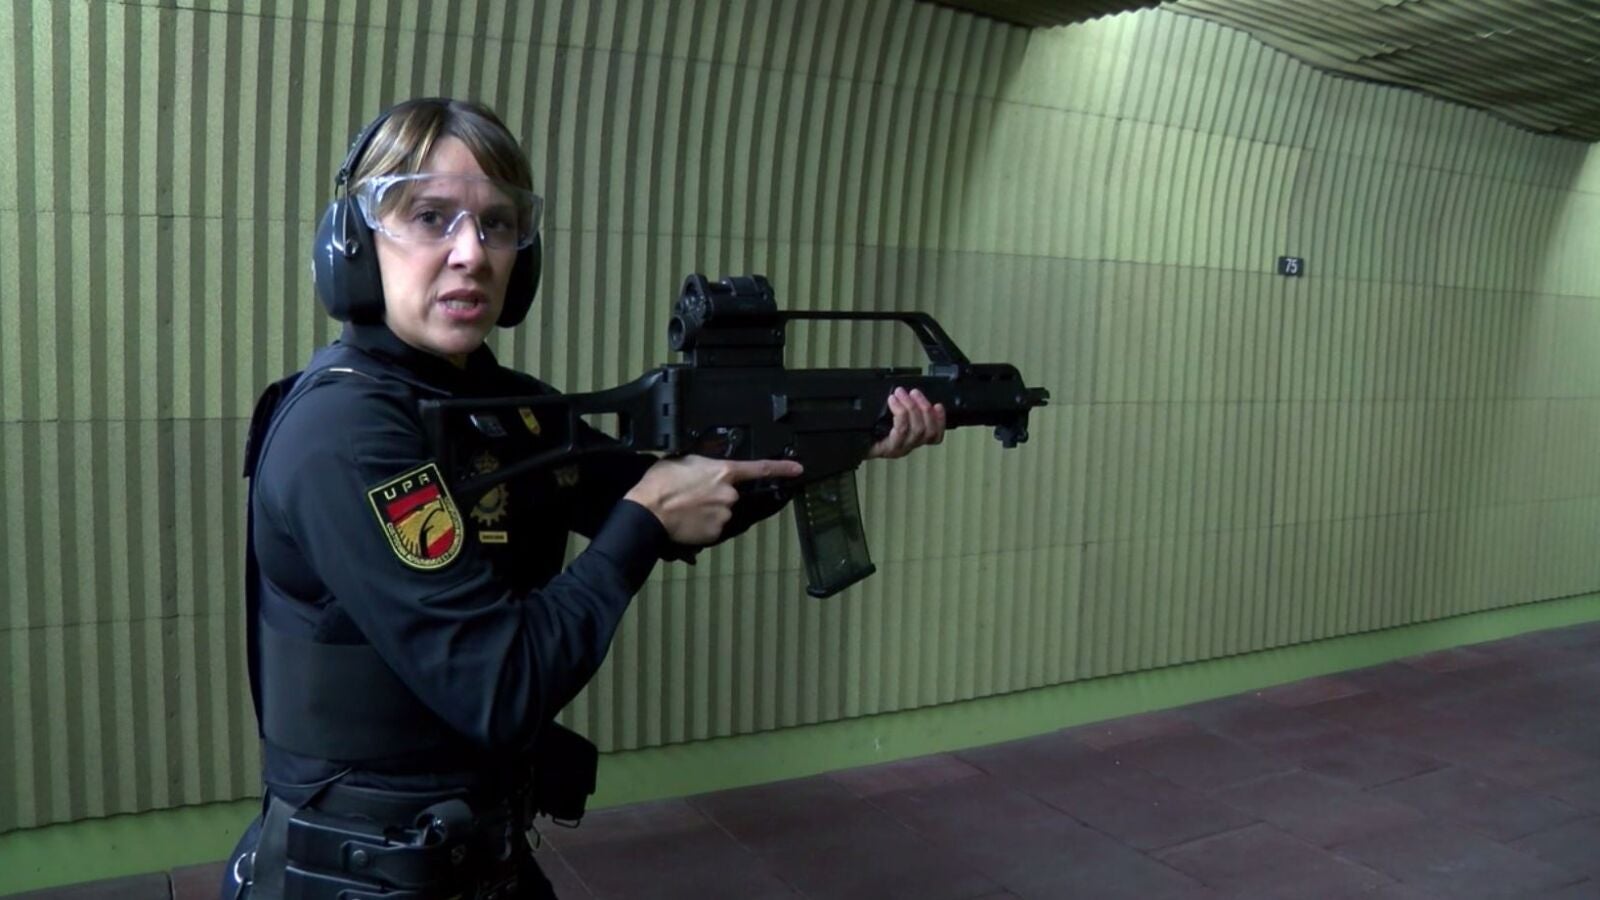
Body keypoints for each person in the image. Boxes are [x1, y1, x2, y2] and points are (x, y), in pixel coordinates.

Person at [222, 97, 945, 899]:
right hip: (361, 877)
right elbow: (501, 684)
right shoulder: (345, 432)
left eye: (498, 225)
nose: (472, 253)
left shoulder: (507, 409)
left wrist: (834, 442)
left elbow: (676, 506)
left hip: (475, 855)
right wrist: (643, 522)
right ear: (355, 243)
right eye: (431, 217)